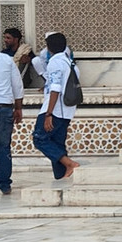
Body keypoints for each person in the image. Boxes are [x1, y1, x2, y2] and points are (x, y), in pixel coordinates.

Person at [31, 32, 80, 181]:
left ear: (49, 47)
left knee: (39, 139)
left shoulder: (55, 62)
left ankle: (70, 164)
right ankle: (61, 177)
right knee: (57, 144)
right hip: (67, 111)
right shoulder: (69, 62)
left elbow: (56, 89)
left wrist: (48, 114)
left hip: (55, 110)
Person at [0, 45, 24, 195]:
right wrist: (18, 108)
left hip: (3, 107)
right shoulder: (6, 60)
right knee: (3, 147)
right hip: (3, 108)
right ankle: (4, 185)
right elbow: (17, 86)